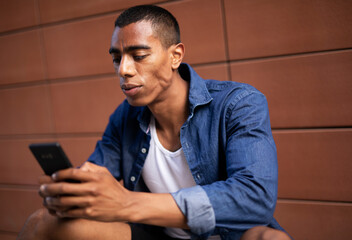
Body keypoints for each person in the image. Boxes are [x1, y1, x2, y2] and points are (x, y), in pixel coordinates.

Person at [18, 5, 291, 240]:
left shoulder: (238, 103)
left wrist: (128, 203)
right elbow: (97, 180)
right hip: (159, 234)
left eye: (138, 56)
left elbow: (254, 198)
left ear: (176, 56)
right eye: (116, 58)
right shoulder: (124, 117)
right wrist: (70, 194)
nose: (123, 69)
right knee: (40, 222)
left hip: (230, 234)